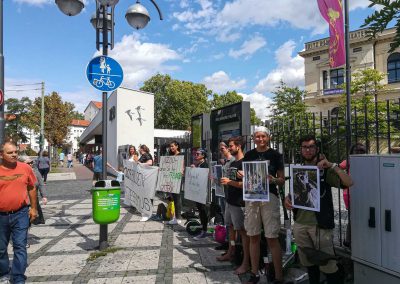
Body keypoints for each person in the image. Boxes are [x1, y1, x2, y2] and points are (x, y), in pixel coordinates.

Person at [284, 135, 353, 284]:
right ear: (301, 149)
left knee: (328, 265)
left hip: (320, 225)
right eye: (304, 147)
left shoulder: (325, 170)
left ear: (317, 149)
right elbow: (298, 193)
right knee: (309, 263)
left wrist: (332, 165)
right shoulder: (300, 169)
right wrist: (288, 199)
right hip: (301, 223)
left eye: (311, 147)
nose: (308, 150)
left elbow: (349, 182)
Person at [243, 126, 285, 284]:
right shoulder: (249, 155)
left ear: (268, 138)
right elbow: (246, 177)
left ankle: (279, 277)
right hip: (252, 197)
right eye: (257, 137)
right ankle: (254, 273)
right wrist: (242, 175)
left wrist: (272, 179)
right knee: (253, 236)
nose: (260, 139)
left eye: (263, 136)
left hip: (270, 197)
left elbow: (281, 180)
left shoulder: (275, 155)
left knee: (272, 237)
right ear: (254, 138)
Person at [0, 141, 38, 284]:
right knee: (1, 249)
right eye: (10, 152)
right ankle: (3, 273)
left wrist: (33, 208)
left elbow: (32, 188)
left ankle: (18, 277)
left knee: (20, 246)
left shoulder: (25, 168)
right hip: (1, 216)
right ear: (1, 154)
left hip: (20, 213)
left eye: (16, 152)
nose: (14, 154)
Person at [217, 137, 250, 275]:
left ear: (239, 146)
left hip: (239, 203)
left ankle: (246, 262)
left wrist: (230, 182)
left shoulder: (244, 162)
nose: (229, 148)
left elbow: (247, 185)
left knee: (242, 232)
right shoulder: (233, 162)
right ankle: (231, 251)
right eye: (228, 146)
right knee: (230, 227)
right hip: (230, 201)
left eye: (231, 146)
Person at [339, 142, 366, 248]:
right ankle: (348, 240)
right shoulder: (349, 161)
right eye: (357, 150)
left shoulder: (367, 161)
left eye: (362, 151)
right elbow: (337, 169)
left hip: (362, 192)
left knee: (359, 216)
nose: (359, 152)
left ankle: (355, 239)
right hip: (349, 193)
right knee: (353, 217)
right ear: (352, 152)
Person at [19, 156, 48, 226]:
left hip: (34, 200)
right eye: (28, 163)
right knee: (23, 224)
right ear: (21, 163)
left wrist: (44, 196)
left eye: (31, 162)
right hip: (23, 202)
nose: (31, 164)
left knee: (32, 220)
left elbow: (41, 184)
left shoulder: (35, 171)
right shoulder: (18, 173)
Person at [192, 148, 209, 240]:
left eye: (198, 154)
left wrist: (195, 170)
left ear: (203, 156)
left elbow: (202, 176)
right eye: (196, 154)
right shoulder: (199, 164)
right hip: (198, 191)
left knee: (202, 211)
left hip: (202, 193)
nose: (196, 155)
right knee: (200, 210)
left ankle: (204, 230)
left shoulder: (204, 165)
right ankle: (203, 228)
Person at [167, 140, 184, 225]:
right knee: (173, 197)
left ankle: (178, 217)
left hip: (177, 178)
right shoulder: (171, 155)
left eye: (173, 146)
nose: (171, 148)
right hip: (171, 178)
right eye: (170, 146)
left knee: (177, 197)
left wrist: (181, 171)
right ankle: (175, 216)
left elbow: (182, 167)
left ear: (177, 146)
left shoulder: (180, 155)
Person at [138, 145, 154, 222]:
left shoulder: (146, 155)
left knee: (147, 194)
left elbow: (150, 163)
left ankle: (148, 213)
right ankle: (146, 211)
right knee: (145, 194)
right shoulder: (144, 155)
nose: (139, 150)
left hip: (147, 177)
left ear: (142, 149)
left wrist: (139, 163)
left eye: (139, 149)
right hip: (144, 177)